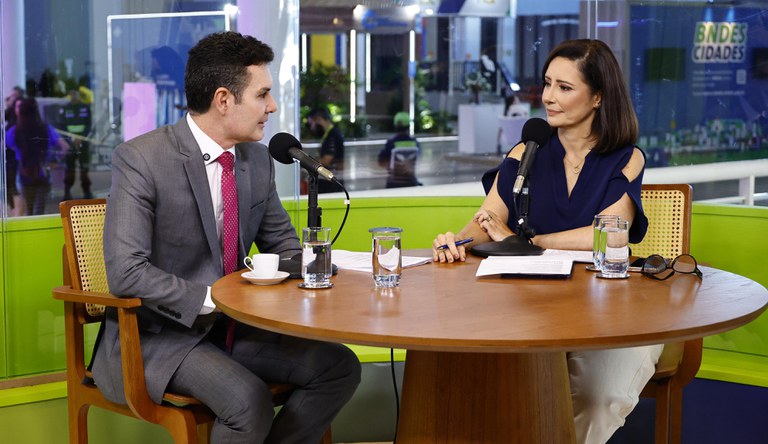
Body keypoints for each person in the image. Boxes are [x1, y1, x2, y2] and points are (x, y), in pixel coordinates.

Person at [98, 31, 361, 444]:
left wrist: (326, 268)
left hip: (234, 329)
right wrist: (215, 299)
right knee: (247, 401)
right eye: (263, 95)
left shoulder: (257, 160)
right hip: (159, 337)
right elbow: (126, 272)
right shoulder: (142, 159)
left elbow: (287, 249)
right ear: (224, 99)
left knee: (338, 366)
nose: (272, 107)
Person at [431, 39, 660, 444]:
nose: (549, 97)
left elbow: (605, 236)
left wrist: (529, 241)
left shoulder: (627, 157)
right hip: (533, 313)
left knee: (597, 396)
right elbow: (486, 223)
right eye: (547, 83)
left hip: (612, 318)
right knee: (477, 383)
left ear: (598, 97)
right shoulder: (526, 151)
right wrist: (458, 241)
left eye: (564, 87)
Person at [5, 97, 69, 215]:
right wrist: (54, 161)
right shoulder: (45, 129)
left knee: (28, 212)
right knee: (40, 212)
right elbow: (65, 147)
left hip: (24, 173)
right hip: (43, 172)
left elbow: (5, 146)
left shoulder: (15, 131)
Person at [59, 88, 93, 200]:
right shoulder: (65, 108)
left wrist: (81, 138)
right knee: (69, 169)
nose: (73, 96)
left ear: (78, 95)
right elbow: (62, 126)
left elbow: (89, 125)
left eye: (75, 94)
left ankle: (87, 192)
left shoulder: (85, 107)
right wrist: (70, 140)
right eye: (71, 94)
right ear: (69, 95)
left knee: (84, 168)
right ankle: (67, 192)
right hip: (70, 143)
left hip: (83, 142)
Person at [378, 111, 421, 188]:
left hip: (394, 182)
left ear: (395, 126)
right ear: (408, 126)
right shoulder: (415, 142)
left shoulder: (391, 142)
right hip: (411, 181)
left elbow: (381, 161)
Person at [306, 107, 344, 193]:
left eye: (312, 124)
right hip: (329, 181)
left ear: (318, 119)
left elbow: (326, 160)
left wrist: (308, 164)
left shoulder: (332, 135)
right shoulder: (329, 135)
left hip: (330, 184)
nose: (312, 128)